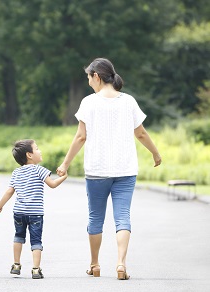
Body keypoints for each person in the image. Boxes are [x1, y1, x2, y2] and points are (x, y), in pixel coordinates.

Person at [56, 57, 162, 280]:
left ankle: (95, 264)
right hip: (125, 169)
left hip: (96, 170)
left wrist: (65, 164)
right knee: (122, 217)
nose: (88, 82)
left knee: (96, 218)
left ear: (97, 76)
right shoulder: (129, 101)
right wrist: (155, 152)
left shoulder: (89, 102)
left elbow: (81, 137)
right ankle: (121, 264)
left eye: (88, 77)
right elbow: (141, 133)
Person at [0, 140, 67, 279]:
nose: (40, 151)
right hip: (35, 213)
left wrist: (0, 205)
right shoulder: (40, 170)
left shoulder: (16, 172)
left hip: (19, 212)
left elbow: (9, 192)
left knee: (18, 237)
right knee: (36, 240)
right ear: (29, 155)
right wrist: (64, 177)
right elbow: (53, 184)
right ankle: (36, 269)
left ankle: (16, 265)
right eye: (37, 149)